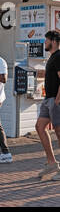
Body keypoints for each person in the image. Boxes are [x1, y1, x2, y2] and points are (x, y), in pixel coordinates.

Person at [37, 31, 60, 180]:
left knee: (59, 133)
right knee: (39, 127)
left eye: (47, 40)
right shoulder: (52, 57)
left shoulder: (59, 56)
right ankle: (51, 162)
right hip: (48, 99)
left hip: (56, 100)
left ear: (54, 41)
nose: (45, 42)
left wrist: (58, 99)